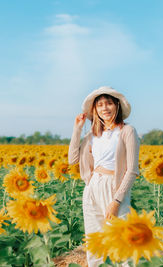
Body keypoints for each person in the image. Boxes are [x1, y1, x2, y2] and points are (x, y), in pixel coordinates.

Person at [68, 86, 140, 267]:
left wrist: (116, 201)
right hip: (93, 186)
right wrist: (77, 129)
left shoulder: (127, 131)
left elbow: (132, 170)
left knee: (121, 241)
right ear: (95, 110)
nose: (104, 108)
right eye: (100, 105)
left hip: (115, 187)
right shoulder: (91, 135)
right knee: (95, 242)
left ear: (117, 106)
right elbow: (72, 160)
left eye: (108, 103)